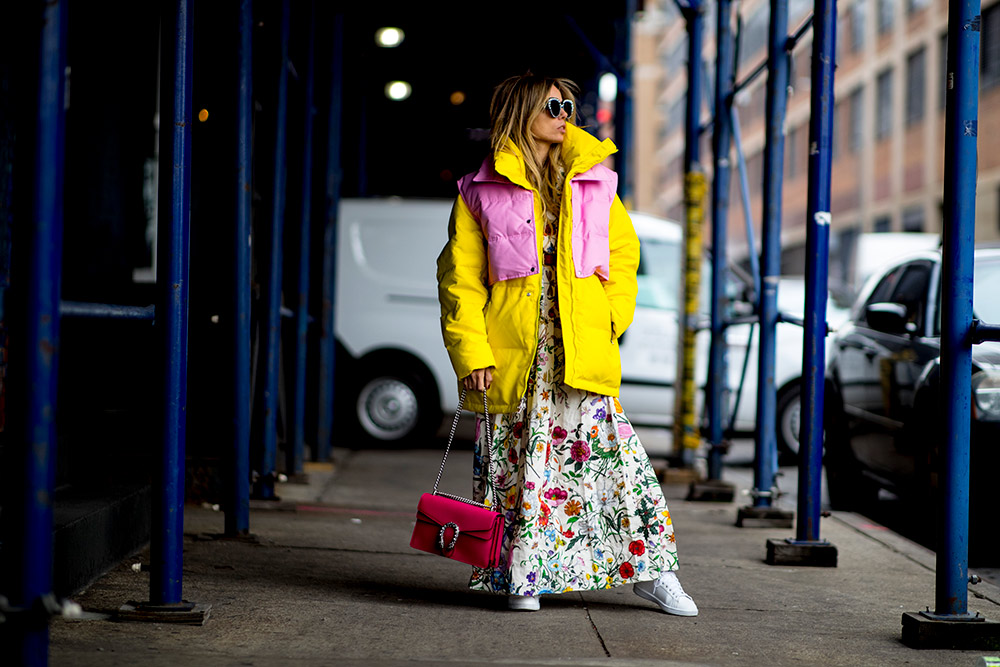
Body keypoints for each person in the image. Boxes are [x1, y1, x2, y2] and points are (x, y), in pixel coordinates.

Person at [436, 73, 697, 616]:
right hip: (515, 358)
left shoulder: (596, 182)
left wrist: (609, 321)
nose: (564, 114)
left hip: (579, 354)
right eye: (553, 105)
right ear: (521, 110)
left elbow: (624, 261)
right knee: (519, 470)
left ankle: (654, 574)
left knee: (619, 468)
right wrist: (473, 355)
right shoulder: (479, 190)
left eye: (569, 106)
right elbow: (459, 281)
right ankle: (522, 573)